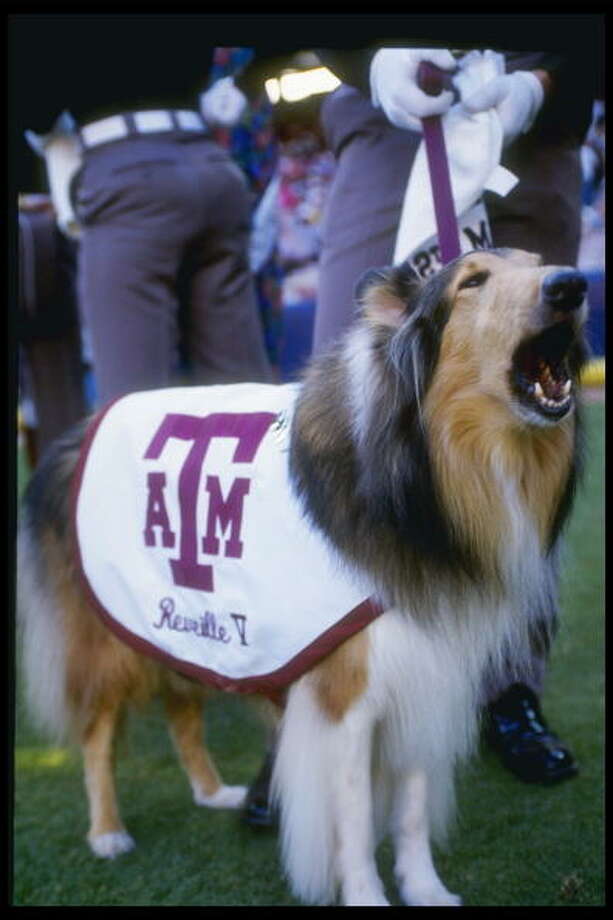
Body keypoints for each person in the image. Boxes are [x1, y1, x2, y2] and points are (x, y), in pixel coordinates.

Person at [308, 43, 601, 786]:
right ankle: (323, 678)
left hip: (531, 138)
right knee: (345, 413)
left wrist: (547, 81)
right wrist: (366, 59)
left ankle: (508, 687)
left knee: (533, 402)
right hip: (388, 135)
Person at [15, 20, 274, 409]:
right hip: (209, 162)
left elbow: (37, 106)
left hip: (127, 170)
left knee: (136, 404)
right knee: (240, 395)